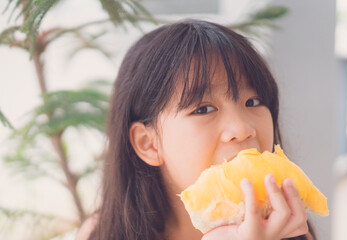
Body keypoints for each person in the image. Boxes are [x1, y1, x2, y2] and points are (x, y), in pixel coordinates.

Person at [76, 19, 316, 240]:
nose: (242, 129)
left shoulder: (290, 228)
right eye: (203, 109)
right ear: (148, 143)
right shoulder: (102, 233)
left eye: (252, 102)